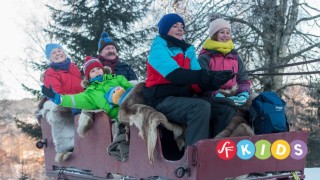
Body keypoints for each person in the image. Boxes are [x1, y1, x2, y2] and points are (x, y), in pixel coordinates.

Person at [142, 13, 235, 146]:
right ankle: (195, 156)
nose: (180, 29)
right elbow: (175, 75)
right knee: (200, 107)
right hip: (163, 99)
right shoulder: (158, 49)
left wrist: (213, 81)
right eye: (175, 26)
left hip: (184, 98)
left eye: (182, 26)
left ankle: (216, 149)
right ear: (165, 30)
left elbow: (196, 82)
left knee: (226, 107)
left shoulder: (187, 50)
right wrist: (205, 76)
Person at [198, 14, 251, 136]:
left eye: (228, 32)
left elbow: (243, 78)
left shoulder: (235, 56)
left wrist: (244, 93)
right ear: (214, 35)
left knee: (261, 102)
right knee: (226, 109)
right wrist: (218, 94)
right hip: (213, 95)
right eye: (222, 32)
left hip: (235, 93)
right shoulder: (205, 57)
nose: (226, 35)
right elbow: (203, 82)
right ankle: (219, 144)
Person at [41, 56, 133, 121]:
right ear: (88, 76)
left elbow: (132, 89)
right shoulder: (90, 93)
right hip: (118, 117)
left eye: (98, 68)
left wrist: (126, 95)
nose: (97, 72)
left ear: (103, 69)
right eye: (92, 71)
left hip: (133, 107)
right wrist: (59, 98)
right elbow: (75, 100)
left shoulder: (117, 78)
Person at [40, 43, 84, 162]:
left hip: (80, 99)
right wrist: (76, 99)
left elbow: (82, 86)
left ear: (64, 52)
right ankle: (68, 146)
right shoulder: (50, 73)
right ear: (50, 58)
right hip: (63, 101)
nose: (57, 54)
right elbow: (56, 93)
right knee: (67, 111)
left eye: (59, 51)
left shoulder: (74, 68)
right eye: (53, 53)